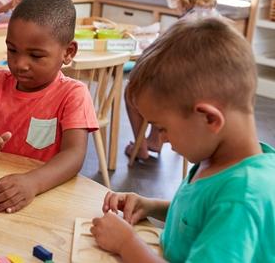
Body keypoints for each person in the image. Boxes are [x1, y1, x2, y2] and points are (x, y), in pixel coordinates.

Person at [91, 17, 275, 262]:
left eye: (162, 128)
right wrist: (152, 206)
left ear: (209, 119)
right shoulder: (218, 158)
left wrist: (127, 244)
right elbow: (200, 216)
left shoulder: (241, 199)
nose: (163, 140)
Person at [0, 0, 98, 213]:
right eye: (12, 50)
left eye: (36, 55)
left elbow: (74, 155)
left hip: (44, 195)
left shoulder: (73, 94)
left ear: (68, 52)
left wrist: (33, 182)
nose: (20, 64)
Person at [125, 0, 220, 160]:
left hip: (184, 95)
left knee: (133, 90)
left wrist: (146, 47)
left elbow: (155, 57)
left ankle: (140, 147)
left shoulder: (187, 25)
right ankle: (155, 140)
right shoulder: (216, 19)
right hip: (210, 93)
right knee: (158, 83)